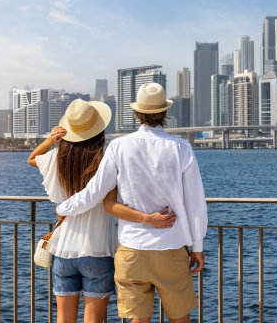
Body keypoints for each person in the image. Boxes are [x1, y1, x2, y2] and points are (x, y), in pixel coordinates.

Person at [56, 83, 207, 323]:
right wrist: (197, 246)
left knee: (138, 319)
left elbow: (94, 192)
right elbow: (196, 205)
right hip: (171, 247)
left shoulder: (118, 146)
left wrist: (63, 208)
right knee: (180, 318)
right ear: (165, 113)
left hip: (132, 251)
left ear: (137, 113)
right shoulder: (181, 148)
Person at [28, 99, 175, 323]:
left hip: (63, 250)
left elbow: (31, 159)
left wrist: (51, 139)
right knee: (94, 318)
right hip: (97, 250)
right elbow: (112, 201)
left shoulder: (59, 158)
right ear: (98, 129)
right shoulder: (105, 158)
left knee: (63, 318)